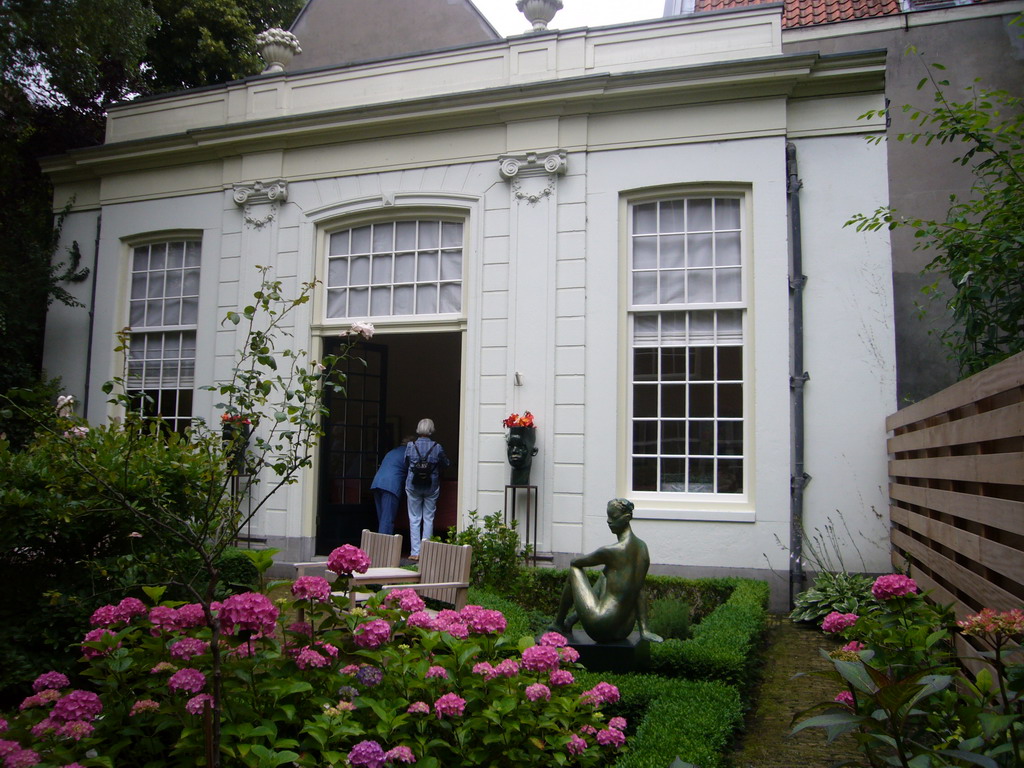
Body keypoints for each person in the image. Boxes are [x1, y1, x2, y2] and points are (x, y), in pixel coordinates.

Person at [551, 498, 663, 643]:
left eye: (614, 517)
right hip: (624, 629)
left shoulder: (610, 551)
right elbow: (639, 590)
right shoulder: (642, 548)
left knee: (574, 570)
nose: (608, 521)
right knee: (607, 573)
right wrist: (645, 630)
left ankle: (558, 623)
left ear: (627, 518)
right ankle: (571, 620)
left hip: (600, 626)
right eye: (608, 516)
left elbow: (575, 563)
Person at [404, 418, 450, 561]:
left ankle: (415, 552)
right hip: (431, 485)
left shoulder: (410, 446)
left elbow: (406, 462)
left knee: (414, 518)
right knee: (429, 517)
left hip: (413, 485)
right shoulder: (437, 447)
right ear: (432, 430)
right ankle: (427, 550)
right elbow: (446, 463)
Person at [370, 437, 412, 535]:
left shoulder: (392, 452)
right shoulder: (408, 454)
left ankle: (380, 543)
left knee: (382, 518)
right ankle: (384, 547)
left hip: (377, 483)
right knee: (387, 520)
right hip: (391, 486)